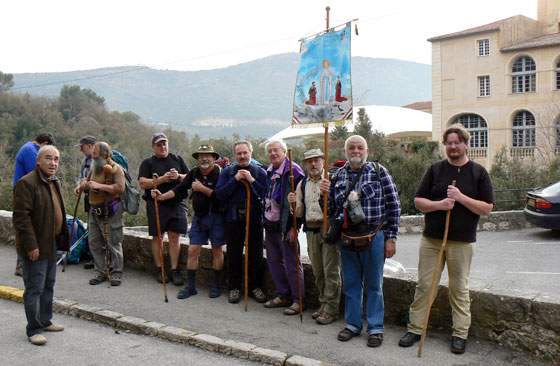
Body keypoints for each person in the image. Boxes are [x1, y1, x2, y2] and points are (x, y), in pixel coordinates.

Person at [398, 124, 494, 355]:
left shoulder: (478, 172)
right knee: (424, 286)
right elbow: (419, 201)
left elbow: (487, 208)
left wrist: (460, 197)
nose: (452, 147)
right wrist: (440, 205)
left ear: (465, 144)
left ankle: (460, 334)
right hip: (432, 240)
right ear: (445, 146)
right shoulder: (436, 170)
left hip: (461, 242)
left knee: (459, 288)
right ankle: (415, 329)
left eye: (457, 142)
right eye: (449, 143)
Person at [319, 135, 401, 348]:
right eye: (352, 148)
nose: (356, 151)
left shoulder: (379, 171)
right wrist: (323, 194)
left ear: (367, 151)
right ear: (346, 152)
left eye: (360, 148)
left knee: (374, 285)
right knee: (351, 283)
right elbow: (328, 209)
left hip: (374, 236)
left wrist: (391, 238)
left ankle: (375, 328)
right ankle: (353, 324)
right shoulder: (336, 176)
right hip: (347, 238)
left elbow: (394, 205)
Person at [13, 145, 68, 345]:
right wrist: (31, 246)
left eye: (56, 159)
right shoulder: (26, 183)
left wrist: (62, 241)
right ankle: (33, 329)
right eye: (48, 158)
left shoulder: (54, 182)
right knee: (34, 288)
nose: (53, 163)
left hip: (51, 244)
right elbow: (21, 218)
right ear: (38, 160)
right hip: (35, 247)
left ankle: (45, 321)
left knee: (48, 286)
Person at [152, 145, 224, 299]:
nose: (204, 159)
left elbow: (221, 197)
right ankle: (191, 286)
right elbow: (179, 189)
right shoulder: (194, 173)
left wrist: (201, 188)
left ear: (214, 158)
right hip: (199, 217)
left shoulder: (220, 173)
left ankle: (216, 285)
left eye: (208, 156)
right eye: (201, 156)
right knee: (193, 250)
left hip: (216, 217)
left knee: (217, 250)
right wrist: (161, 197)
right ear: (197, 158)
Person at [288, 148, 341, 324]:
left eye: (316, 160)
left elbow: (340, 204)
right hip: (311, 230)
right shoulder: (303, 183)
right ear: (305, 164)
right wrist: (293, 203)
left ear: (323, 161)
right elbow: (298, 214)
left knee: (331, 271)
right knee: (318, 271)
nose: (313, 164)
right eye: (309, 161)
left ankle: (331, 309)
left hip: (329, 229)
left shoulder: (332, 179)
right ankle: (323, 303)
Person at [215, 140, 267, 304]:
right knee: (234, 255)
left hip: (255, 220)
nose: (242, 156)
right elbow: (219, 194)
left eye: (245, 153)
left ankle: (255, 287)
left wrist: (251, 180)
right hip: (233, 219)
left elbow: (266, 194)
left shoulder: (260, 173)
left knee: (256, 255)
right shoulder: (228, 172)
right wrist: (235, 180)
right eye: (239, 154)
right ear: (235, 155)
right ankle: (234, 288)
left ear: (251, 153)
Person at [139, 133, 189, 285]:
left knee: (175, 237)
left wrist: (178, 176)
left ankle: (174, 270)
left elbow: (190, 177)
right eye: (159, 144)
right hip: (156, 204)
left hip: (177, 203)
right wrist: (162, 180)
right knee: (158, 237)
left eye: (164, 143)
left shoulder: (178, 159)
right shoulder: (147, 163)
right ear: (153, 147)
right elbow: (142, 183)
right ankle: (159, 269)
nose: (162, 146)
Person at [262, 139, 305, 316]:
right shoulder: (269, 171)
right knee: (274, 262)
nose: (273, 154)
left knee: (292, 264)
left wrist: (295, 227)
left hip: (286, 225)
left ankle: (298, 300)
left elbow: (299, 202)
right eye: (270, 151)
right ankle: (284, 295)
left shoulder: (294, 171)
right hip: (270, 224)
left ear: (285, 152)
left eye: (276, 150)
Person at [79, 142, 126, 286]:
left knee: (113, 242)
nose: (92, 156)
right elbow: (87, 182)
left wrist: (100, 186)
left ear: (104, 156)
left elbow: (120, 188)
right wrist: (81, 187)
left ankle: (116, 273)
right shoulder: (94, 168)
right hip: (94, 209)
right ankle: (100, 272)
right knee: (94, 243)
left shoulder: (116, 169)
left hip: (110, 210)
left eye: (95, 153)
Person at [13, 133, 55, 277]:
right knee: (28, 226)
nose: (51, 161)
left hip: (30, 191)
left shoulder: (28, 147)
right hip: (27, 193)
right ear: (44, 143)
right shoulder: (30, 150)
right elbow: (36, 172)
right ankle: (22, 266)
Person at [74, 135, 96, 269]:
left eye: (82, 147)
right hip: (88, 199)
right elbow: (81, 177)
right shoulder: (85, 161)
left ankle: (102, 260)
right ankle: (93, 257)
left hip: (99, 200)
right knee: (92, 228)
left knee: (99, 230)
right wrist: (79, 186)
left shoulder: (100, 161)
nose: (81, 150)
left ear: (89, 146)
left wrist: (85, 184)